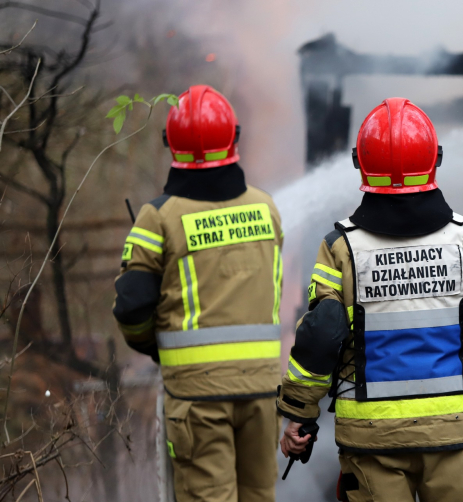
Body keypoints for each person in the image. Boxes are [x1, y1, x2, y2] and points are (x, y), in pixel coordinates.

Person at [276, 97, 463, 502]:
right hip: (453, 430)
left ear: (360, 164)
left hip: (371, 438)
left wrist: (299, 413)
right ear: (435, 161)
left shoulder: (340, 248)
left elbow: (321, 334)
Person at [112, 85, 284, 502]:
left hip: (197, 397)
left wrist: (156, 347)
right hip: (262, 390)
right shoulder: (266, 208)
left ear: (171, 144)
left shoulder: (158, 218)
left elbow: (132, 307)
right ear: (234, 139)